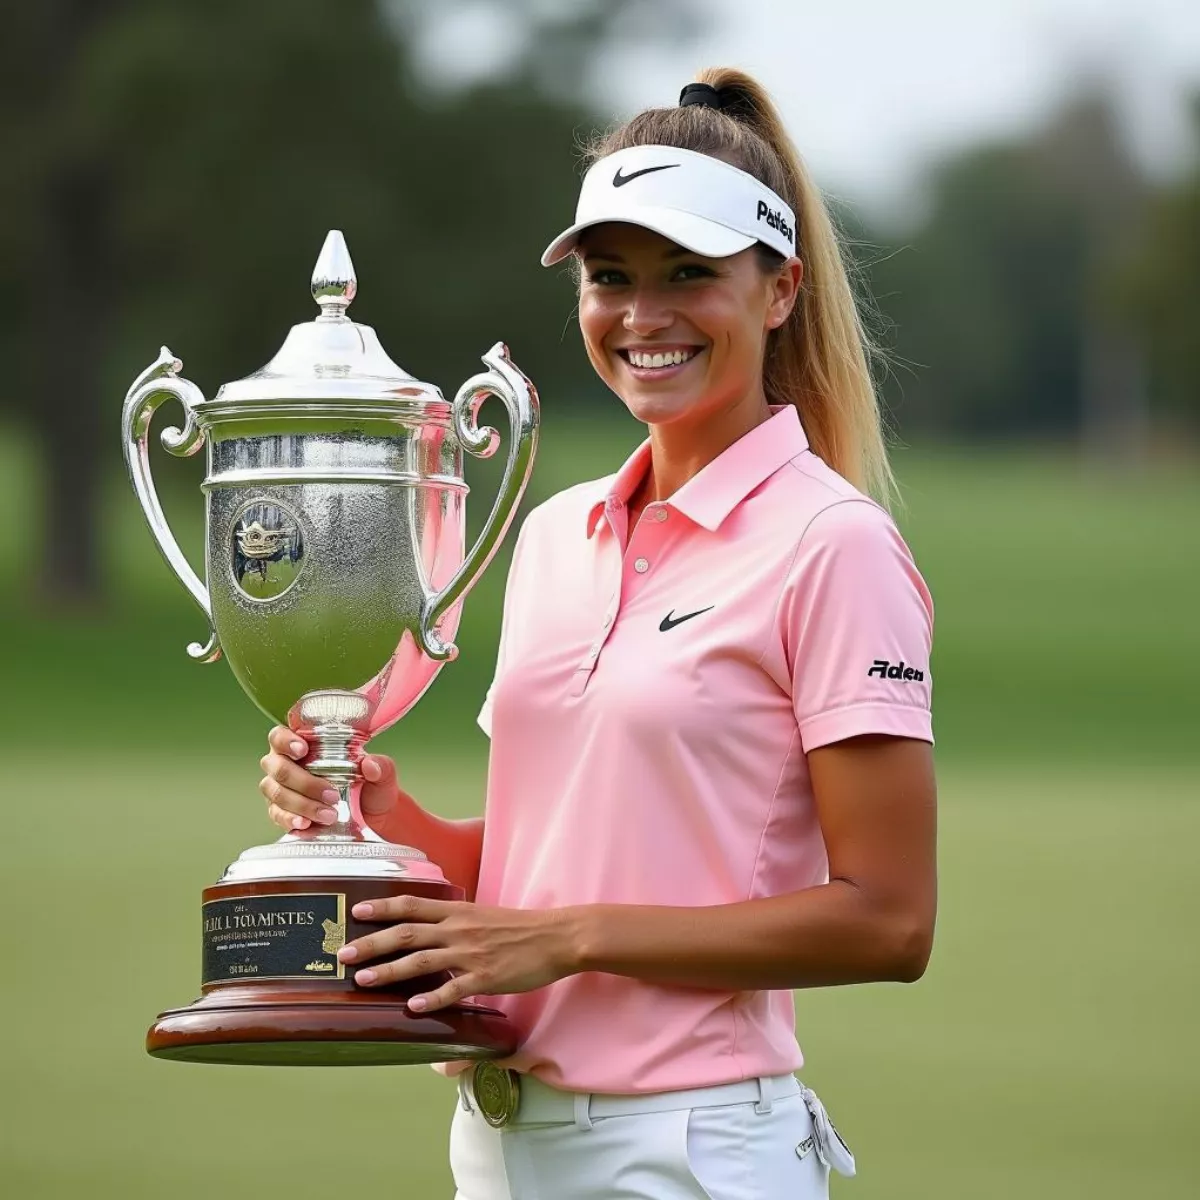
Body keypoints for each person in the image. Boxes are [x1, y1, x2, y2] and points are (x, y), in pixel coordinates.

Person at [258, 68, 937, 1200]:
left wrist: (571, 938)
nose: (642, 316)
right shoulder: (555, 533)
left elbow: (889, 921)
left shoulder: (834, 544)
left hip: (690, 1148)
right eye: (610, 278)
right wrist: (381, 814)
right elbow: (543, 856)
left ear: (778, 294)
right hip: (499, 1140)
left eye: (690, 276)